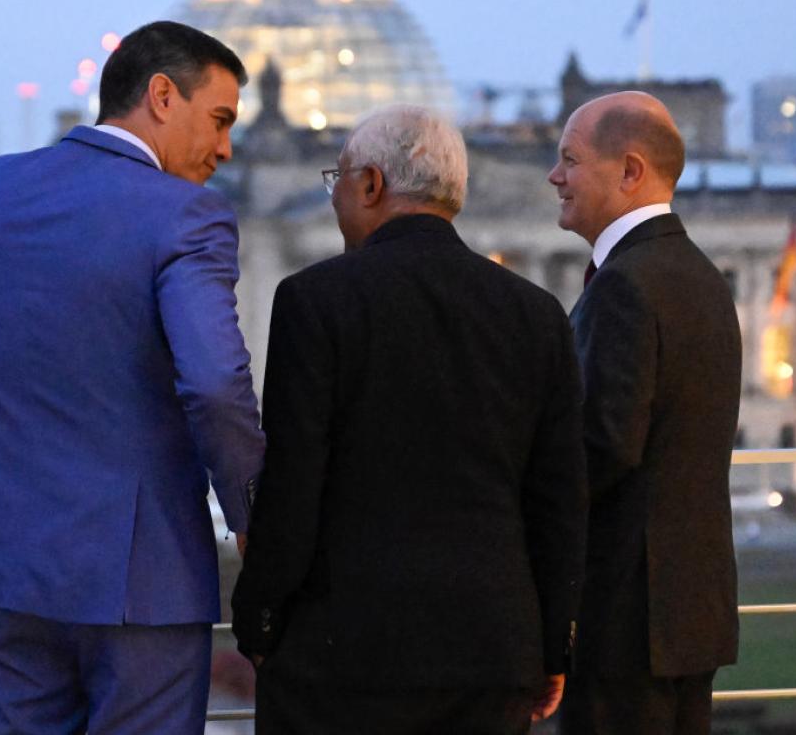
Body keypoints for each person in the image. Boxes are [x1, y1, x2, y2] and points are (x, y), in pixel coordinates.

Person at [0, 21, 265, 735]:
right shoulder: (187, 215)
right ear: (162, 96)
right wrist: (254, 517)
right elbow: (214, 385)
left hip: (12, 564)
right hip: (143, 580)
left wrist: (36, 296)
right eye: (220, 120)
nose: (225, 148)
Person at [232, 104, 587, 734]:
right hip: (491, 652)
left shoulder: (314, 299)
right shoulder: (538, 314)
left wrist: (258, 619)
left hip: (341, 655)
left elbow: (293, 485)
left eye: (337, 179)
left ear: (371, 184)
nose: (334, 197)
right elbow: (558, 502)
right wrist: (552, 645)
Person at [549, 91, 742, 735]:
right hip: (688, 614)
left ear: (629, 171)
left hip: (624, 621)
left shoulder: (627, 283)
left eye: (570, 160)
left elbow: (603, 446)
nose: (554, 177)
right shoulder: (700, 275)